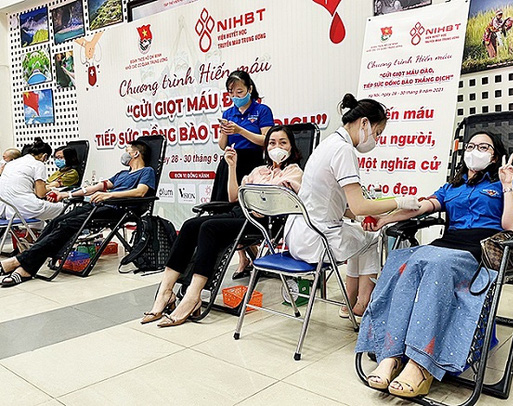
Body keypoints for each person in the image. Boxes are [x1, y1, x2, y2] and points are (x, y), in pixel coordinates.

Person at [355, 131, 513, 398]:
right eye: (471, 146)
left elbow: (512, 226)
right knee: (405, 263)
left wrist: (507, 183)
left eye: (484, 147)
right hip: (446, 245)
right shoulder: (452, 187)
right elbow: (421, 207)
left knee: (437, 266)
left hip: (477, 248)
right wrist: (384, 219)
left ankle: (420, 364)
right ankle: (391, 354)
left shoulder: (502, 183)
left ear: (494, 156)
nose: (476, 151)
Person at [142, 125, 303, 328]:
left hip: (263, 221)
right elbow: (234, 197)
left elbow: (275, 201)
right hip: (240, 213)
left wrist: (254, 194)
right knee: (191, 225)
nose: (276, 146)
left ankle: (193, 296)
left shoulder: (294, 172)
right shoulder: (259, 171)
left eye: (282, 142)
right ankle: (165, 292)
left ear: (291, 146)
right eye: (272, 142)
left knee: (209, 227)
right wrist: (233, 166)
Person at [284, 94, 421, 322]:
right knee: (373, 237)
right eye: (377, 133)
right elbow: (358, 205)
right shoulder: (344, 150)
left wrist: (359, 217)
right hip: (317, 240)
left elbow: (336, 203)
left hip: (298, 235)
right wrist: (400, 201)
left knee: (360, 233)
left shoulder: (328, 143)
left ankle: (350, 301)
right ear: (364, 123)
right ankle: (362, 302)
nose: (375, 140)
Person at [0, 140, 156, 287]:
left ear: (135, 154)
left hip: (118, 209)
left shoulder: (146, 171)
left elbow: (140, 192)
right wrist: (67, 195)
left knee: (67, 225)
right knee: (56, 221)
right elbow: (95, 188)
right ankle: (26, 267)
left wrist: (110, 195)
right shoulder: (122, 174)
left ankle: (19, 263)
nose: (124, 153)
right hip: (100, 205)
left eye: (127, 150)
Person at [216, 70, 275, 274]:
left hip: (253, 162)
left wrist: (240, 131)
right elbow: (222, 145)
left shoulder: (262, 110)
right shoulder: (228, 113)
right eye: (231, 93)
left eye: (240, 91)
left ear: (250, 89)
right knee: (227, 209)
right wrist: (224, 133)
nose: (236, 96)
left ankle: (258, 252)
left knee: (248, 210)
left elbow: (266, 141)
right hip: (231, 162)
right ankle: (243, 258)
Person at [0, 138, 64, 221]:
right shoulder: (38, 164)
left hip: (4, 210)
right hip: (23, 209)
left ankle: (32, 234)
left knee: (39, 216)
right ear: (44, 156)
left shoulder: (11, 163)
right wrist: (52, 189)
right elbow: (40, 194)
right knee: (63, 208)